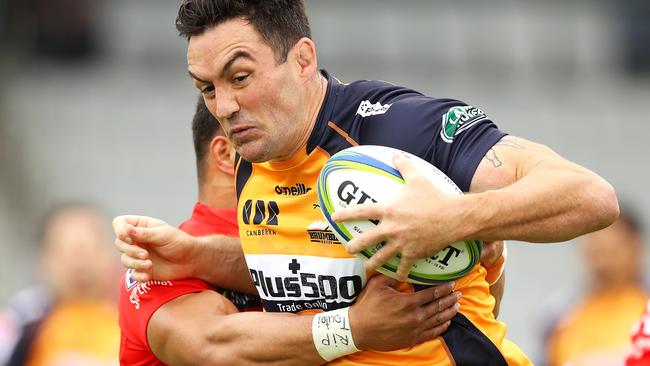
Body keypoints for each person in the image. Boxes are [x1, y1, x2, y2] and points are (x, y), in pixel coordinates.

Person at [114, 0, 618, 364]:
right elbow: (306, 264)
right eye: (207, 89)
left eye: (239, 77)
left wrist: (451, 218)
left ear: (303, 59)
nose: (223, 108)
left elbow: (589, 196)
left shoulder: (396, 128)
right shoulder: (254, 157)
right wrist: (198, 255)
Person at [117, 95, 462, 365]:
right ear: (227, 154)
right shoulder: (154, 263)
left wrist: (471, 242)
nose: (302, 151)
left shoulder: (325, 236)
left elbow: (446, 318)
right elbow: (215, 348)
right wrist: (353, 327)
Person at [8, 203, 121, 366]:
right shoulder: (19, 322)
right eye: (64, 249)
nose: (79, 263)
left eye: (91, 248)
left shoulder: (139, 321)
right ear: (42, 259)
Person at [541, 207, 648, 366]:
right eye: (596, 251)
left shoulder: (645, 304)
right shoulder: (558, 315)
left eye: (612, 251)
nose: (603, 263)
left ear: (635, 247)